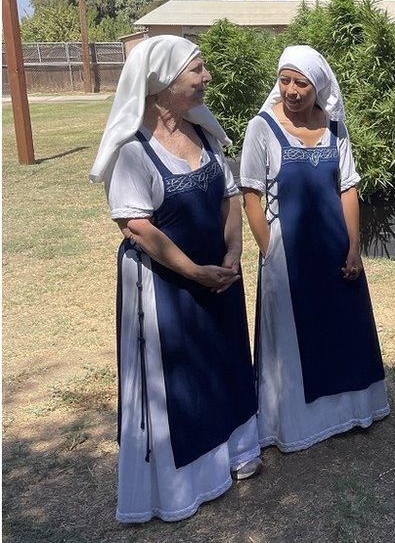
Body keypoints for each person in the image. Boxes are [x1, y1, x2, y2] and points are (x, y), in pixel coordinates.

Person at [91, 35, 260, 523]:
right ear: (163, 84)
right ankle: (187, 480)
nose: (206, 78)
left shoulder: (204, 135)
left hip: (219, 276)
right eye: (197, 70)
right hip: (166, 286)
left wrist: (231, 252)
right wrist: (194, 271)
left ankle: (231, 454)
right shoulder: (133, 152)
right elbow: (138, 228)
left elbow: (230, 196)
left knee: (224, 361)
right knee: (181, 376)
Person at [238, 46, 389, 453]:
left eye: (301, 83)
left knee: (341, 327)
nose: (291, 90)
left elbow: (348, 186)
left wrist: (354, 245)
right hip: (289, 251)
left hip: (334, 244)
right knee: (294, 336)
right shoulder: (263, 127)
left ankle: (346, 413)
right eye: (285, 80)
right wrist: (269, 248)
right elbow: (250, 192)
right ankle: (299, 423)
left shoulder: (334, 127)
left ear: (318, 86)